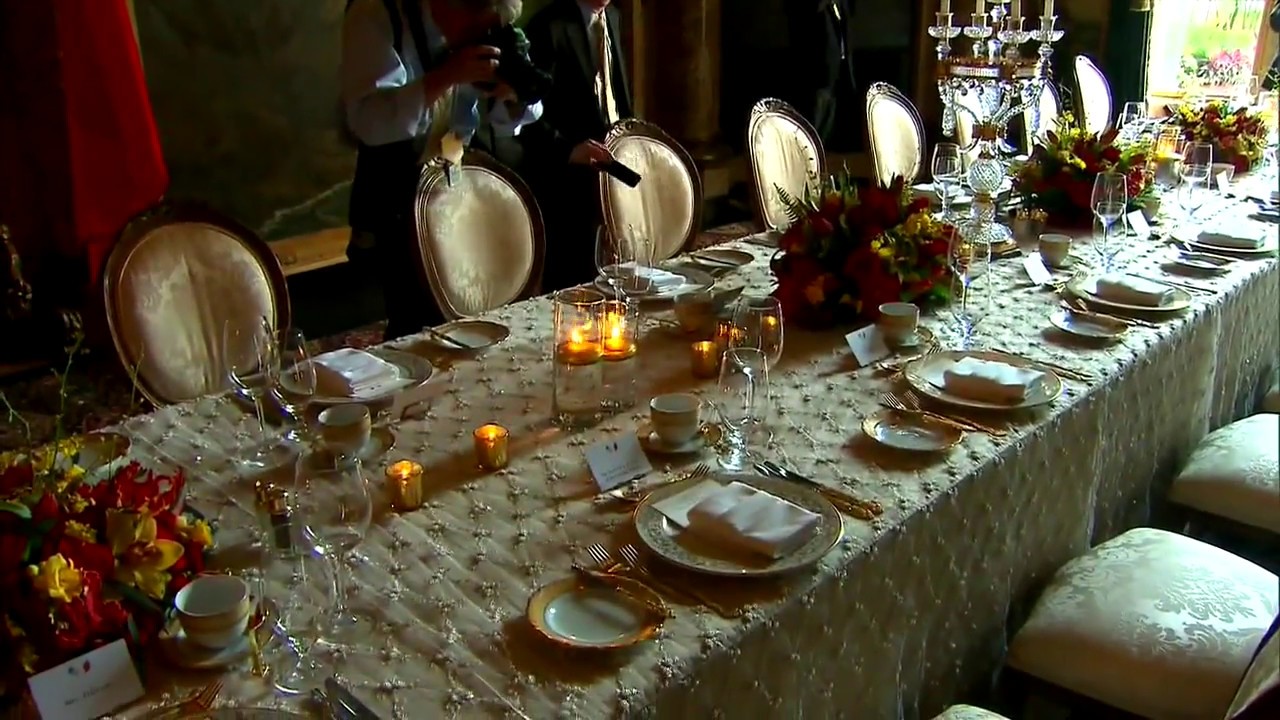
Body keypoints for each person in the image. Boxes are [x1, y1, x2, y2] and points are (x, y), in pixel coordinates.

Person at [342, 0, 600, 341]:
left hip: (462, 191)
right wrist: (447, 76)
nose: (484, 34)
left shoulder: (479, 27)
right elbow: (368, 121)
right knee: (415, 331)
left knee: (480, 325)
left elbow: (509, 122)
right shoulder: (376, 13)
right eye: (479, 24)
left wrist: (511, 95)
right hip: (397, 201)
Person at [523, 0, 633, 290]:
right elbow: (521, 115)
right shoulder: (548, 26)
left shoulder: (613, 16)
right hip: (566, 177)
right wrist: (569, 151)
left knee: (618, 276)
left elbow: (616, 97)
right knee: (574, 286)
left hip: (610, 167)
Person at [783, 0, 856, 146]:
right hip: (819, 76)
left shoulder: (841, 6)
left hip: (837, 73)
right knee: (814, 124)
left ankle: (821, 159)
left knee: (829, 123)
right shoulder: (814, 8)